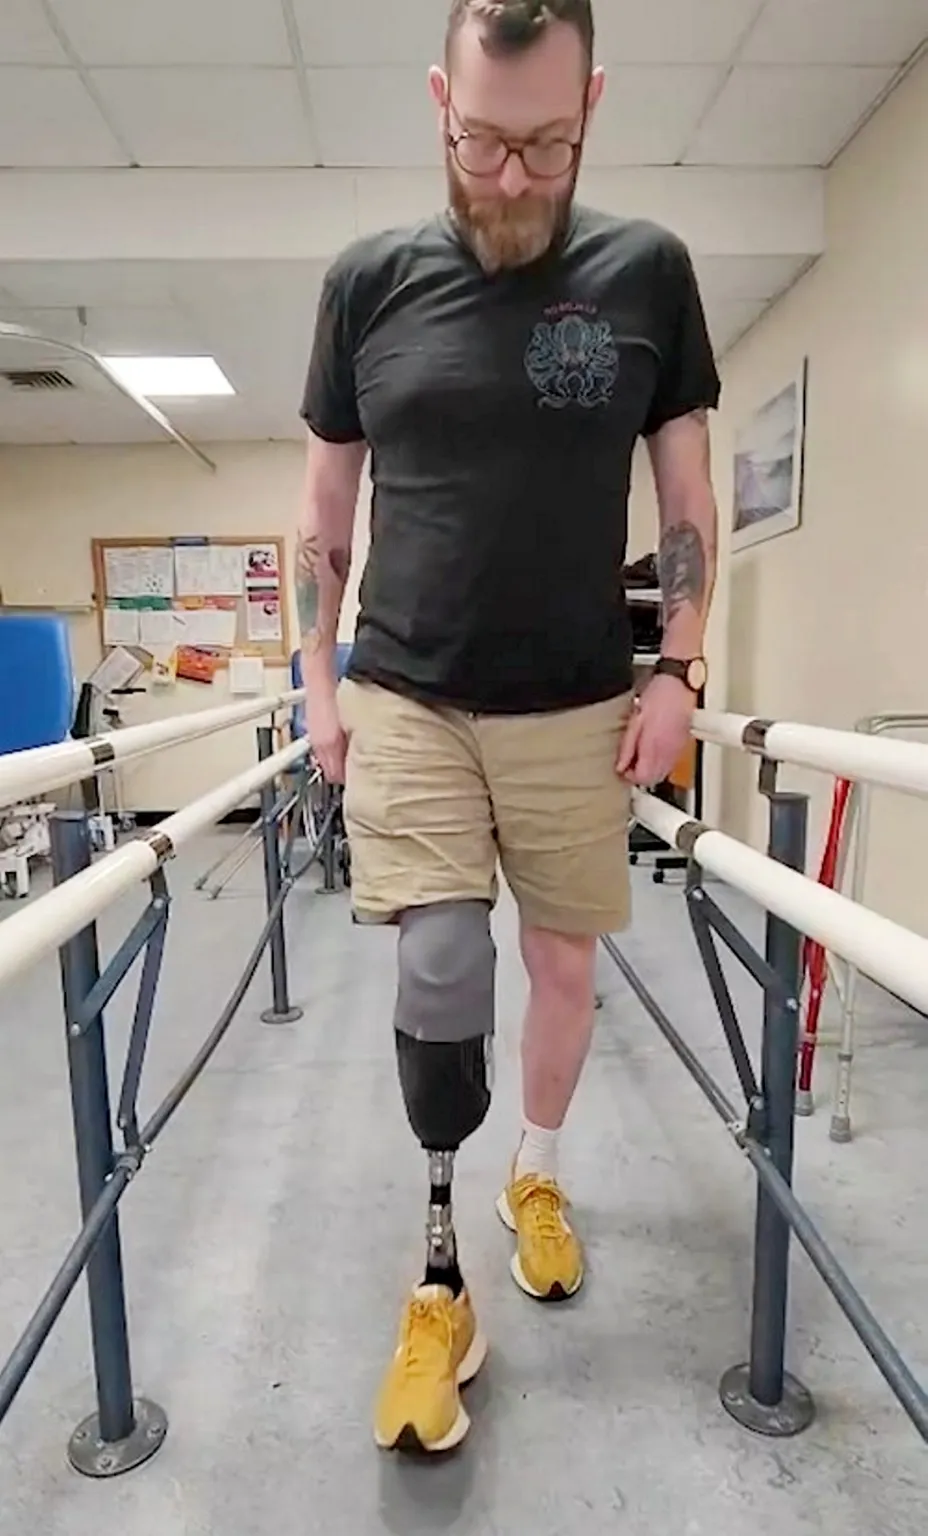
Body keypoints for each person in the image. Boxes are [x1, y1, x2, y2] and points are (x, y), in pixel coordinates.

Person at [296, 0, 720, 1455]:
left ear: (591, 104)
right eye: (482, 141)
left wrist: (680, 670)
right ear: (440, 100)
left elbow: (684, 499)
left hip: (576, 698)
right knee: (440, 959)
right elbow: (324, 506)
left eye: (546, 144)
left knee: (560, 963)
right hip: (408, 691)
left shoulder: (647, 272)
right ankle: (437, 1278)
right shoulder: (368, 284)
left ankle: (534, 1170)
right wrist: (315, 681)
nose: (513, 175)